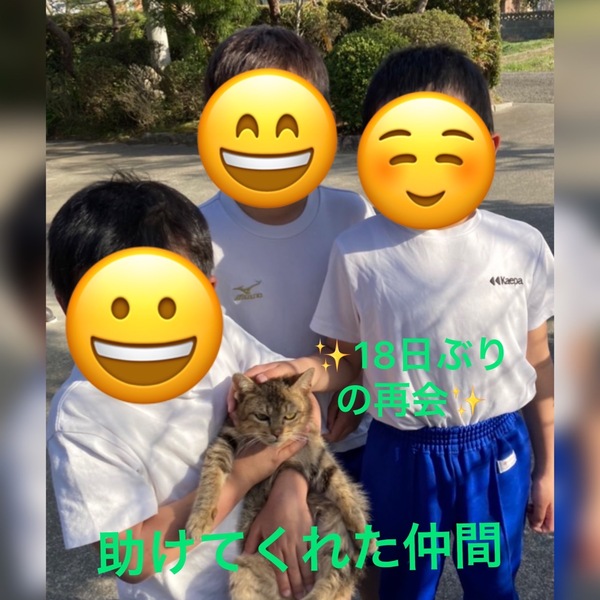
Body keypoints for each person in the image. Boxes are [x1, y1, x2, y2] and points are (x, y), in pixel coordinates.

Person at [245, 46, 555, 600]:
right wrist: (306, 371)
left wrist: (551, 465)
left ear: (488, 147)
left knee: (494, 585)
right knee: (400, 588)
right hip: (400, 454)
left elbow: (537, 359)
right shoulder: (357, 251)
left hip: (495, 449)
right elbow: (344, 357)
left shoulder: (520, 246)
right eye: (403, 151)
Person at [46, 174, 314, 600]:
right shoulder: (82, 414)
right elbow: (130, 558)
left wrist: (289, 493)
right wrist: (241, 476)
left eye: (168, 303)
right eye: (116, 306)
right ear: (69, 306)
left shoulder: (217, 334)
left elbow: (303, 405)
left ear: (207, 292)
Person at [201, 25, 374, 482]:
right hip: (255, 455)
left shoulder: (352, 214)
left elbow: (371, 326)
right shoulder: (196, 234)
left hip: (348, 439)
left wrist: (357, 388)